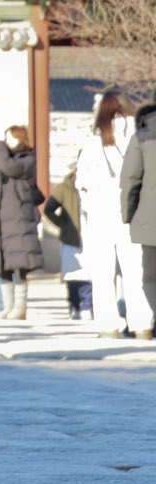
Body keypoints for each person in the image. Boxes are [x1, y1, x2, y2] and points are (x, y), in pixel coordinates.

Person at [79, 89, 140, 339]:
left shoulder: (95, 141)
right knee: (137, 272)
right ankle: (142, 323)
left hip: (101, 213)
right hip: (133, 212)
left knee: (103, 274)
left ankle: (108, 325)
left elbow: (82, 180)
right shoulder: (143, 136)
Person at [0, 125, 45, 321]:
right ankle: (7, 306)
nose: (6, 142)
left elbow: (11, 168)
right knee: (3, 265)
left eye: (10, 138)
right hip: (0, 223)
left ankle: (20, 306)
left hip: (17, 222)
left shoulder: (26, 160)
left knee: (19, 266)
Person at [116, 101, 156, 339]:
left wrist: (128, 214)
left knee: (151, 276)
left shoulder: (141, 137)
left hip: (151, 219)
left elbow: (130, 180)